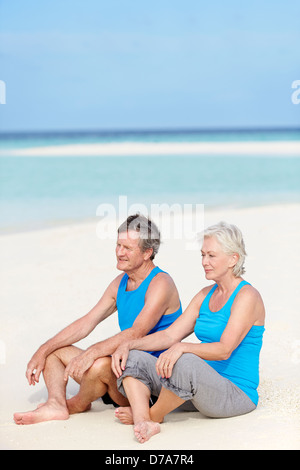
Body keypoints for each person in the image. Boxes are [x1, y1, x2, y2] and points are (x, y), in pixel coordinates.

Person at [14, 214, 182, 425]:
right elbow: (88, 321)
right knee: (55, 350)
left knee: (99, 365)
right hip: (119, 368)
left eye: (127, 248)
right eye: (118, 245)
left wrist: (91, 354)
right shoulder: (120, 282)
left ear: (147, 252)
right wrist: (43, 349)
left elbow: (136, 333)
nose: (120, 252)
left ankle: (77, 403)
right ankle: (56, 404)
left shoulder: (161, 283)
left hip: (147, 382)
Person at [112, 221, 265, 444]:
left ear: (233, 258)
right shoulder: (204, 295)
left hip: (234, 394)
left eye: (211, 255)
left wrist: (182, 348)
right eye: (203, 255)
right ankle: (143, 418)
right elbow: (169, 336)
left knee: (185, 360)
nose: (204, 262)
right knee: (133, 357)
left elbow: (224, 350)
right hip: (198, 391)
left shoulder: (247, 296)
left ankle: (153, 416)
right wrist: (129, 345)